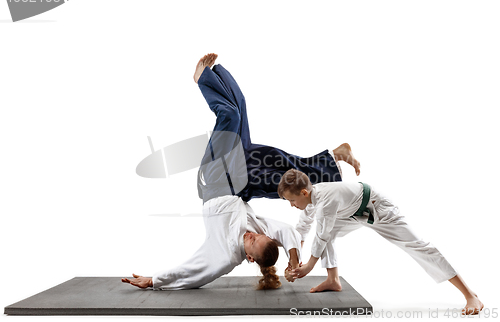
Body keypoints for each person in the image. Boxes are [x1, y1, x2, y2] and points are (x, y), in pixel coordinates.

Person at [122, 54, 360, 290]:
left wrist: (155, 280)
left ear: (249, 258)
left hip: (214, 181)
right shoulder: (259, 232)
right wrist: (294, 260)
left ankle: (203, 78)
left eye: (252, 242)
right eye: (258, 236)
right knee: (283, 171)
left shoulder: (224, 257)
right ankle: (214, 73)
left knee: (230, 115)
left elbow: (193, 271)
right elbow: (286, 232)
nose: (251, 235)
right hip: (238, 182)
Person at [278, 169, 484, 315]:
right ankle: (333, 280)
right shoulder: (312, 200)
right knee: (326, 233)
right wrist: (296, 263)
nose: (291, 205)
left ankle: (470, 295)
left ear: (304, 192)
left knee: (417, 246)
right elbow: (303, 228)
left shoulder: (325, 201)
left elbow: (321, 234)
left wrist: (309, 267)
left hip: (378, 208)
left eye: (292, 201)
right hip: (353, 212)